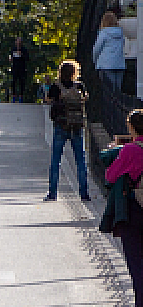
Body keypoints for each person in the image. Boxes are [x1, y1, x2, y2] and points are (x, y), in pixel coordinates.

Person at [105, 109, 143, 307]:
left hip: (134, 210)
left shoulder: (130, 150)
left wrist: (114, 153)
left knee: (137, 264)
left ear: (132, 128)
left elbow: (110, 176)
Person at [45, 60, 91, 202]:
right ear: (74, 72)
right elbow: (85, 98)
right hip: (77, 126)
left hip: (61, 125)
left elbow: (47, 100)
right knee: (80, 160)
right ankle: (84, 193)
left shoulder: (56, 86)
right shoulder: (79, 86)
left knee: (55, 160)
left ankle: (52, 193)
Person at [94, 11, 127, 94]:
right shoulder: (121, 33)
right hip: (119, 65)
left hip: (105, 65)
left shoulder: (104, 33)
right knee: (117, 91)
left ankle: (108, 107)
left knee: (107, 91)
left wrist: (95, 61)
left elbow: (97, 49)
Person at [10, 37, 31, 103]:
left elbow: (27, 58)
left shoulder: (24, 49)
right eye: (17, 41)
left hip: (22, 68)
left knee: (21, 82)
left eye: (19, 41)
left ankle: (21, 97)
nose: (18, 43)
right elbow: (11, 55)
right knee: (14, 82)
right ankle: (13, 96)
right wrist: (10, 58)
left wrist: (22, 55)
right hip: (15, 68)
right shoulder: (13, 49)